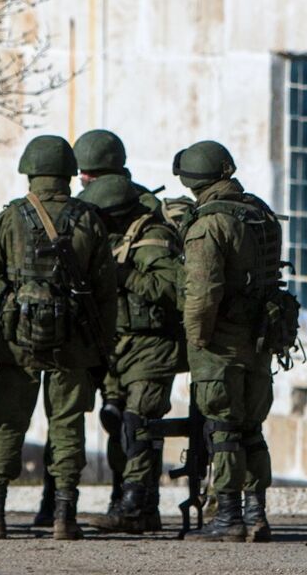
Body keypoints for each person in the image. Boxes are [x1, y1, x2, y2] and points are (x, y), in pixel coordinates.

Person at [0, 135, 117, 541]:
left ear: (30, 172)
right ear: (69, 173)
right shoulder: (88, 219)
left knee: (7, 425)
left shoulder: (9, 219)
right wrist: (103, 348)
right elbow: (106, 293)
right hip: (73, 344)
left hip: (17, 343)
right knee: (68, 426)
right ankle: (64, 517)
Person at [175, 139, 283, 543]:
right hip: (260, 338)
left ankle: (229, 519)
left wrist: (196, 339)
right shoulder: (260, 214)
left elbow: (202, 292)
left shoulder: (207, 224)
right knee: (252, 429)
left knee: (223, 430)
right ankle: (257, 515)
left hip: (222, 341)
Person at [81, 173, 187, 534]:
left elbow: (171, 289)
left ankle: (132, 506)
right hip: (119, 345)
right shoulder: (112, 239)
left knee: (139, 424)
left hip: (153, 343)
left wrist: (125, 276)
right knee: (121, 426)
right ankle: (141, 507)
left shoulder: (154, 240)